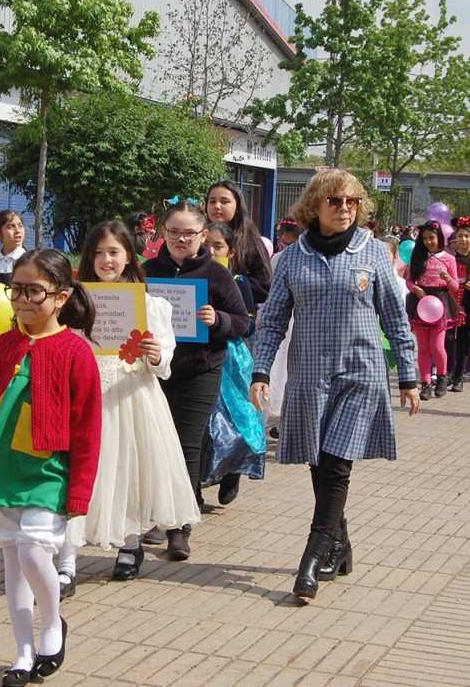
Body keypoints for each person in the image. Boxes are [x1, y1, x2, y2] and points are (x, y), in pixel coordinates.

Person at [249, 169, 420, 601]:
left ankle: (311, 556)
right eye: (335, 201)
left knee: (338, 465)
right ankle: (338, 545)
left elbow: (396, 319)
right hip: (309, 375)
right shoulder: (291, 258)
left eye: (351, 202)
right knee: (319, 463)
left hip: (360, 373)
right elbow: (271, 322)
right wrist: (261, 371)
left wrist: (410, 374)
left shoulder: (374, 253)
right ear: (315, 206)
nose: (344, 208)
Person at [0, 250, 102, 686]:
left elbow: (88, 428)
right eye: (15, 289)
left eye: (34, 290)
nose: (22, 300)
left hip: (48, 471)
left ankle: (52, 623)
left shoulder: (76, 351)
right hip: (1, 469)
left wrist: (80, 491)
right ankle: (21, 652)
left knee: (34, 551)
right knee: (12, 563)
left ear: (61, 296)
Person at [57, 221, 200, 594]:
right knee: (78, 473)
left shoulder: (151, 306)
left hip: (131, 395)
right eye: (99, 252)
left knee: (127, 469)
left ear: (128, 257)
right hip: (85, 398)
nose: (106, 260)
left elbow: (163, 361)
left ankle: (130, 544)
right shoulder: (73, 302)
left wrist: (155, 355)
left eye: (114, 252)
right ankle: (66, 559)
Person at [142, 201, 250, 558]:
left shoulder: (216, 275)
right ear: (163, 233)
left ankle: (180, 527)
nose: (181, 239)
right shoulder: (146, 272)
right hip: (155, 370)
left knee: (186, 445)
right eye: (173, 232)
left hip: (199, 369)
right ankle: (156, 515)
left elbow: (241, 321)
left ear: (203, 235)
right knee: (155, 443)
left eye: (189, 233)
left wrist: (216, 319)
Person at [199, 222, 266, 505]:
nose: (211, 252)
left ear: (231, 251)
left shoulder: (238, 282)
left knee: (238, 418)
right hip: (198, 355)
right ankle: (198, 485)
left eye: (218, 246)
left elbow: (249, 324)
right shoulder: (192, 277)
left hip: (232, 358)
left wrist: (223, 321)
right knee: (205, 424)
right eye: (207, 246)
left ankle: (234, 469)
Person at [404, 220, 459, 400]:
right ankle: (425, 383)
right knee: (423, 348)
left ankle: (442, 377)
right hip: (421, 303)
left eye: (432, 238)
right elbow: (409, 280)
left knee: (436, 345)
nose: (428, 242)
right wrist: (415, 289)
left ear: (439, 238)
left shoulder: (449, 258)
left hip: (440, 303)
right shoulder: (418, 256)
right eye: (425, 238)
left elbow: (455, 287)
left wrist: (448, 279)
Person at [205, 180, 272, 304]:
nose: (217, 206)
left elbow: (264, 288)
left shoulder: (250, 241)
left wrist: (231, 282)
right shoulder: (196, 236)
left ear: (237, 207)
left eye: (224, 201)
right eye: (212, 201)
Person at [445, 216, 470, 393]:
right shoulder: (449, 258)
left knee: (462, 342)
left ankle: (459, 376)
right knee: (447, 340)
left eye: (467, 236)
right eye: (460, 236)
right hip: (449, 305)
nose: (463, 240)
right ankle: (447, 373)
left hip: (467, 307)